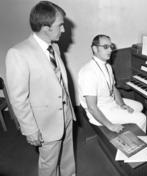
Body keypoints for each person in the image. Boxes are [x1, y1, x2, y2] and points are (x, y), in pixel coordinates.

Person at [5, 1, 76, 176]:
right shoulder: (18, 53)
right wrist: (30, 130)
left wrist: (69, 111)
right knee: (49, 166)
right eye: (60, 25)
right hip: (45, 123)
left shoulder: (55, 47)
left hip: (66, 114)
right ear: (45, 27)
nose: (64, 30)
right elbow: (18, 98)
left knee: (68, 158)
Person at [78, 34, 147, 133]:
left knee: (139, 106)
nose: (110, 50)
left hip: (110, 103)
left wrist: (122, 104)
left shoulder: (108, 66)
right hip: (100, 111)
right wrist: (110, 126)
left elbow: (113, 88)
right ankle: (137, 146)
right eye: (105, 47)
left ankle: (130, 131)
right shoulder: (88, 72)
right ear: (95, 49)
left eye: (111, 46)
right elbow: (92, 107)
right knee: (142, 118)